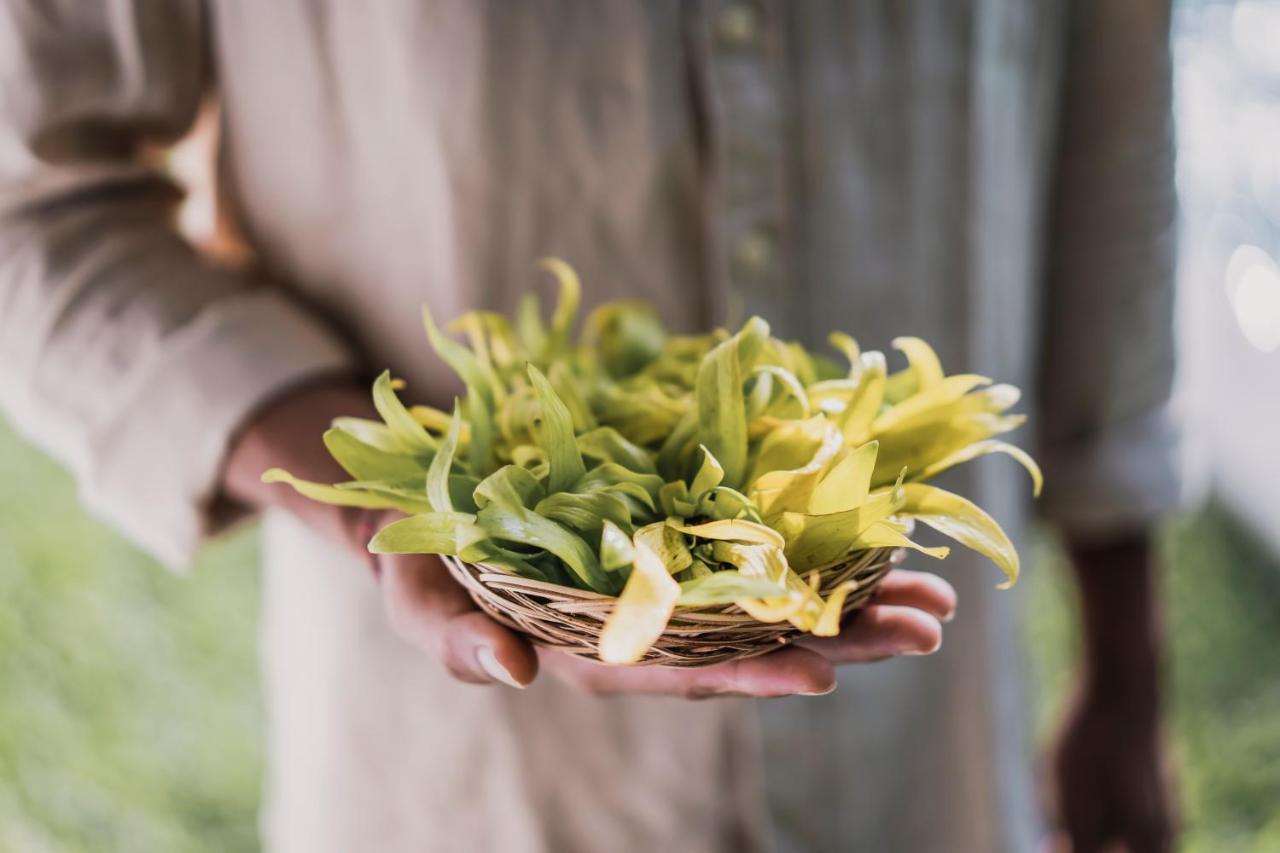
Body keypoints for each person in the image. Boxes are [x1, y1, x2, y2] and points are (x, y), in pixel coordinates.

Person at [0, 2, 1179, 851]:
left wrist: (1126, 670)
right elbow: (36, 204)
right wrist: (386, 507)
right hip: (457, 769)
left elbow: (1107, 136)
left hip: (925, 745)